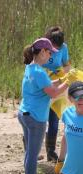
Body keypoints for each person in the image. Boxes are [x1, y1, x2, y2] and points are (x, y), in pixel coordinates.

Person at [18, 38, 75, 174]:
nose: (50, 56)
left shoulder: (30, 68)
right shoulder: (39, 72)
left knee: (29, 152)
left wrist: (62, 79)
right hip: (36, 118)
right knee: (33, 154)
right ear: (42, 51)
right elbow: (53, 92)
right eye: (49, 52)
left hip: (24, 113)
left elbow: (47, 84)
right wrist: (68, 82)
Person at [43, 26, 71, 161]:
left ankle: (51, 151)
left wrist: (64, 73)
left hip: (57, 86)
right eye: (54, 48)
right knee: (39, 119)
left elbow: (66, 65)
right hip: (42, 86)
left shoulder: (63, 47)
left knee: (54, 121)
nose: (57, 50)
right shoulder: (42, 46)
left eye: (58, 48)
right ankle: (30, 146)